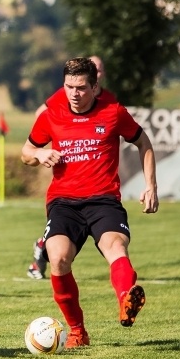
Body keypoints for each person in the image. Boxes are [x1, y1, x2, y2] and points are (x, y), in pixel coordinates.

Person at [21, 56, 158, 349]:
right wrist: (40, 154)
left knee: (116, 246)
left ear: (95, 87)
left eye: (81, 87)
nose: (74, 93)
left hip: (104, 201)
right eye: (69, 86)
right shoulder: (51, 115)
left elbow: (143, 143)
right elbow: (26, 151)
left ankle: (127, 299)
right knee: (57, 258)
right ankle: (77, 331)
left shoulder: (113, 112)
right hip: (64, 203)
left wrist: (151, 186)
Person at [27, 55, 116, 279]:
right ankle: (42, 251)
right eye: (95, 68)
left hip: (97, 184)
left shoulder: (109, 100)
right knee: (60, 236)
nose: (98, 72)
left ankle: (44, 247)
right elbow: (42, 114)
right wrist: (45, 147)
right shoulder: (67, 94)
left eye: (100, 69)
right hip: (66, 176)